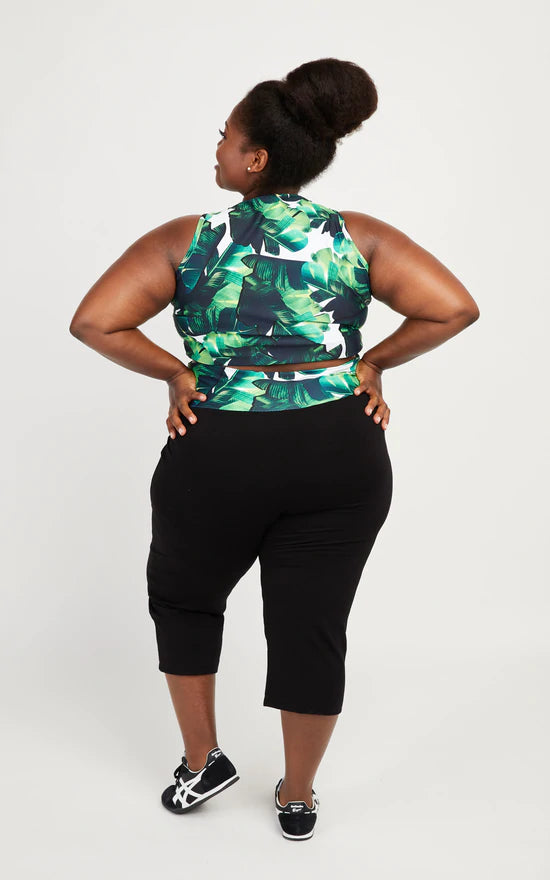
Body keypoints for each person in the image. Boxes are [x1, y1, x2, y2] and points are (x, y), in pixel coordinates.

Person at [68, 57, 480, 841]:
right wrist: (371, 363)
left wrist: (179, 374)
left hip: (219, 449)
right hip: (340, 449)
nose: (217, 148)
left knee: (186, 599)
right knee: (311, 626)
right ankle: (297, 794)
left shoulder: (186, 240)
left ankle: (203, 763)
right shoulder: (358, 235)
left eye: (225, 138)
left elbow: (95, 321)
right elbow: (452, 307)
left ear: (255, 159)